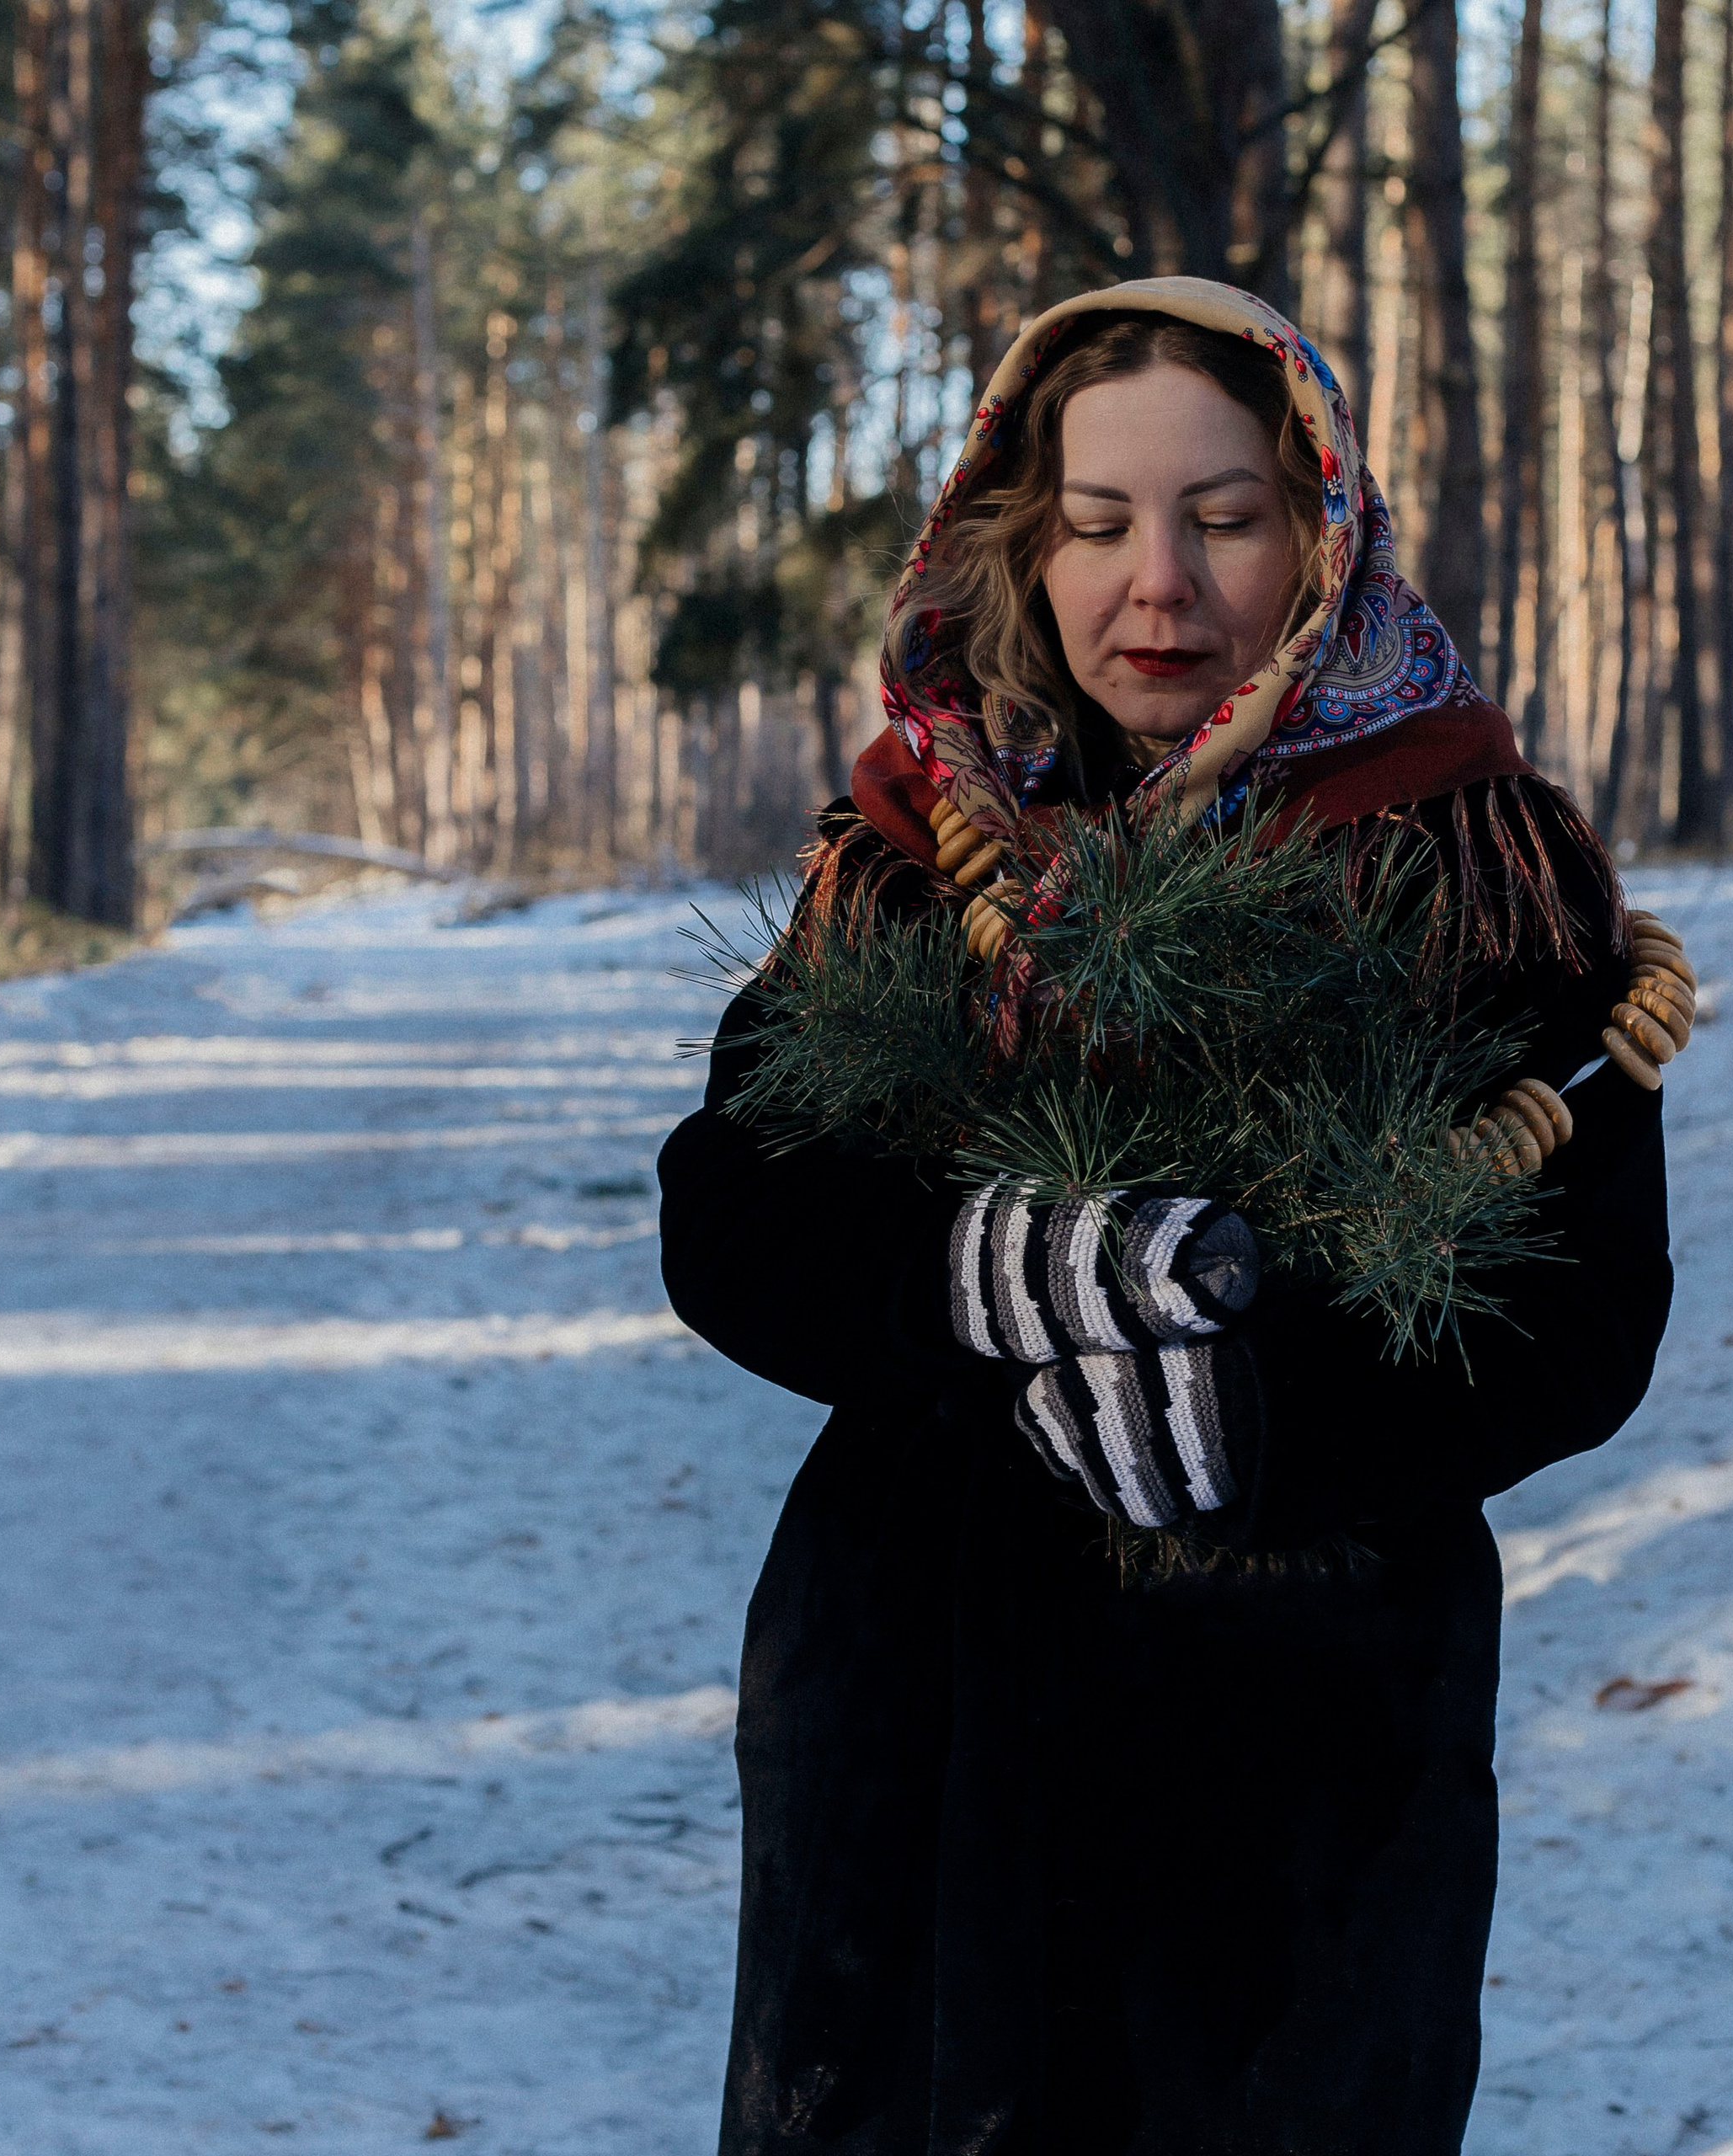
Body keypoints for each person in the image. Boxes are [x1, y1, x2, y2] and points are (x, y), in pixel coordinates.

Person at [658, 278, 1677, 2156]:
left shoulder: (1472, 859)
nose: (1160, 585)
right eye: (1098, 521)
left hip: (1300, 1734)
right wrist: (961, 1277)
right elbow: (728, 1212)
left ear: (1316, 526)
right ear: (1017, 542)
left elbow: (1580, 1303)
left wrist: (1275, 1417)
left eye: (1222, 516)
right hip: (913, 1707)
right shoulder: (906, 851)